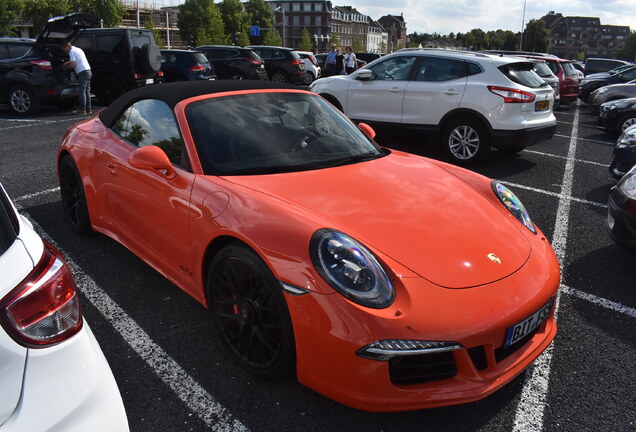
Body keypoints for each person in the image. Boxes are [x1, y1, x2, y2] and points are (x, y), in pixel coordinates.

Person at [60, 41, 92, 115]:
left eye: (64, 49)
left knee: (82, 91)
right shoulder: (78, 49)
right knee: (87, 91)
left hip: (83, 72)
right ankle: (88, 109)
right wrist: (68, 62)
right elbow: (76, 60)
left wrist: (65, 67)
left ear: (66, 47)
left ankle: (82, 109)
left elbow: (73, 65)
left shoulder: (71, 51)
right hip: (88, 71)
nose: (64, 51)